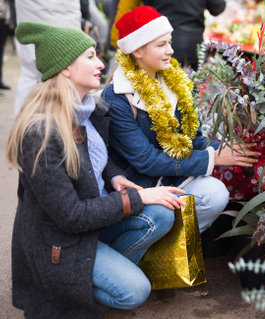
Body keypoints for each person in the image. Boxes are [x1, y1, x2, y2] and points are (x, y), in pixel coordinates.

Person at [7, 21, 186, 318]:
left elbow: (97, 159)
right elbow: (70, 215)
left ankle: (98, 270)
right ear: (65, 68)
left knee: (162, 214)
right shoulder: (40, 132)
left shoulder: (89, 110)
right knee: (135, 291)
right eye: (90, 56)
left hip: (94, 219)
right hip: (59, 239)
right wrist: (141, 197)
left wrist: (114, 176)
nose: (101, 63)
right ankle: (67, 288)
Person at [102, 6, 260, 235]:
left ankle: (171, 247)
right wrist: (213, 158)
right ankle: (148, 240)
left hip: (170, 176)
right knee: (208, 194)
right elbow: (146, 161)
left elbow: (193, 141)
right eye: (161, 45)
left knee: (217, 193)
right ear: (137, 51)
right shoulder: (117, 96)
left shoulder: (176, 83)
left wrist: (229, 150)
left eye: (169, 42)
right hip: (139, 186)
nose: (170, 50)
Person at [110, 0, 226, 70]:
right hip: (190, 44)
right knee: (188, 95)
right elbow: (217, 8)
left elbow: (144, 6)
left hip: (157, 41)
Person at [13, 0, 82, 114]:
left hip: (33, 12)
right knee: (65, 70)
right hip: (62, 15)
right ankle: (64, 123)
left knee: (30, 75)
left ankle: (21, 125)